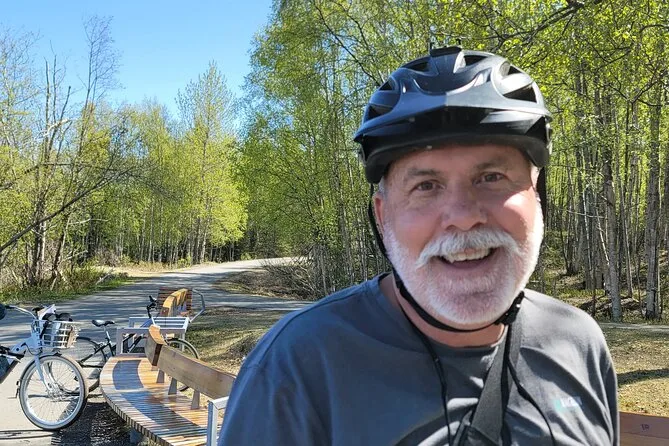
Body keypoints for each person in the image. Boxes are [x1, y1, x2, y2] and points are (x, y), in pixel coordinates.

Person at [218, 46, 618, 445]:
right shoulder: (297, 368)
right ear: (382, 217)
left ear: (537, 197)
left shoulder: (578, 343)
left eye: (492, 177)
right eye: (426, 186)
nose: (463, 216)